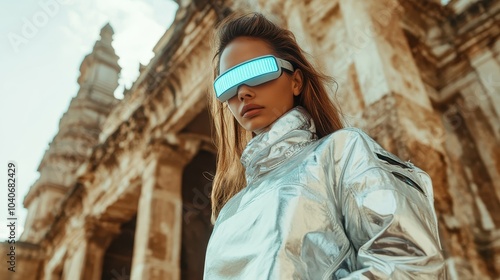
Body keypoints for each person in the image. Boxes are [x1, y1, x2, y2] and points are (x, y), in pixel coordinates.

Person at [204, 12, 446, 279]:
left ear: (295, 81)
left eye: (257, 71)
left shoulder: (341, 152)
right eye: (227, 85)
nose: (243, 92)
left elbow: (410, 264)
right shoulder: (229, 212)